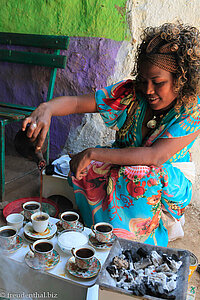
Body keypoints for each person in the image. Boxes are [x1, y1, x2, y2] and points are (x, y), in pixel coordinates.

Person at [22, 22, 200, 246]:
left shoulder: (190, 109)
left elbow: (154, 157)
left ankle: (143, 240)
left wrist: (93, 152)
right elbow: (78, 103)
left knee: (138, 174)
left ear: (181, 79)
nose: (148, 90)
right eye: (144, 81)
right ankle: (101, 231)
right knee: (87, 168)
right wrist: (46, 108)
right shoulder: (132, 93)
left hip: (167, 180)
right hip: (128, 165)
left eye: (158, 82)